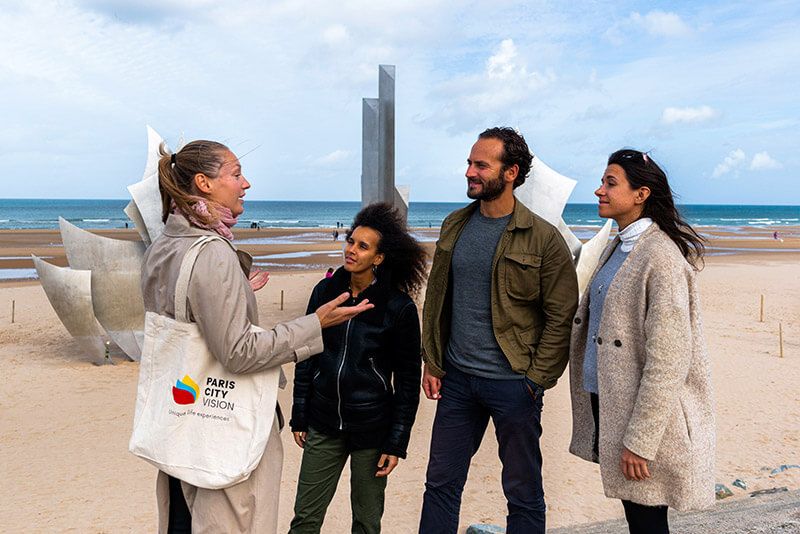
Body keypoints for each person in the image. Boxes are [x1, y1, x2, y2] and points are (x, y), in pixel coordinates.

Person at [140, 140, 373, 533]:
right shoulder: (211, 252)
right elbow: (239, 352)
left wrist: (235, 291)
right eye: (235, 173)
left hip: (181, 412)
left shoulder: (164, 244)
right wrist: (315, 323)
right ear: (205, 183)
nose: (245, 183)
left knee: (183, 516)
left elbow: (183, 312)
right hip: (220, 419)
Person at [419, 127, 578, 534]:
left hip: (513, 384)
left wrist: (535, 380)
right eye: (470, 163)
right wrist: (433, 361)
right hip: (456, 381)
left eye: (480, 165)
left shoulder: (543, 238)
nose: (469, 172)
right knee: (440, 484)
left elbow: (561, 315)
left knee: (523, 493)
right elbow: (438, 297)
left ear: (511, 172)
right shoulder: (455, 224)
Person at [568, 149, 715, 534]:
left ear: (641, 194)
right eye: (602, 181)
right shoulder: (620, 245)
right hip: (612, 400)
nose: (599, 190)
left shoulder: (660, 257)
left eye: (610, 183)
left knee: (648, 519)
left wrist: (641, 441)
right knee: (637, 514)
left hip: (643, 417)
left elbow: (669, 360)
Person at [289, 202, 426, 534]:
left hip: (373, 430)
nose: (351, 249)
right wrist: (300, 413)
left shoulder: (398, 308)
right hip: (323, 423)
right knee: (305, 519)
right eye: (351, 241)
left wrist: (396, 442)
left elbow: (408, 381)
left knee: (366, 522)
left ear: (378, 258)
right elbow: (307, 355)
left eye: (362, 246)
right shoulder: (325, 291)